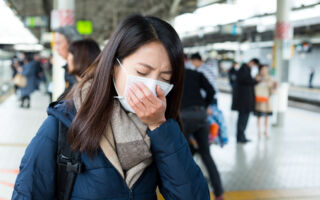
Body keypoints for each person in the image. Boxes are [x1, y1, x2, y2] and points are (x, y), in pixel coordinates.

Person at [12, 15, 210, 199]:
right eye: (142, 72)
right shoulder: (62, 124)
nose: (151, 86)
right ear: (114, 66)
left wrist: (159, 127)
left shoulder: (163, 130)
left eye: (165, 78)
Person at [180, 68, 224, 200]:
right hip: (200, 114)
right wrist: (205, 105)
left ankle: (185, 193)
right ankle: (219, 193)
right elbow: (211, 90)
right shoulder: (196, 74)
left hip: (183, 116)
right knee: (206, 155)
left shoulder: (173, 74)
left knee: (182, 157)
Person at [232, 58, 261, 143]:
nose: (254, 67)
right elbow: (246, 81)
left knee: (244, 119)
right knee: (242, 119)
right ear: (252, 62)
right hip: (244, 101)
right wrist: (255, 80)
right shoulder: (243, 69)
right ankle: (240, 137)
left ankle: (242, 136)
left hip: (245, 101)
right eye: (255, 65)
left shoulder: (245, 69)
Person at [54, 26, 82, 93]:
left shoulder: (83, 67)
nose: (56, 48)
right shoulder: (68, 66)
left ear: (71, 43)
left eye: (58, 43)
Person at [254, 64, 276, 139]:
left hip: (266, 100)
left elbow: (272, 90)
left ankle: (266, 131)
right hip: (258, 100)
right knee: (259, 116)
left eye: (265, 69)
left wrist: (274, 87)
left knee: (267, 117)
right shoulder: (256, 77)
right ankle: (259, 131)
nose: (264, 71)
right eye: (263, 69)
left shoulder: (270, 78)